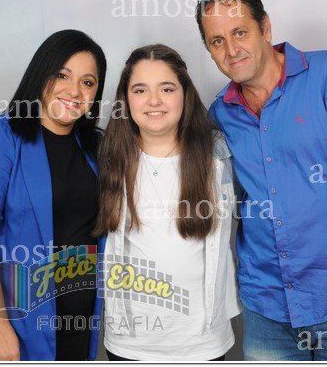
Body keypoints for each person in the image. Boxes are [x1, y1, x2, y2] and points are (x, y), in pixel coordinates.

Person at [195, 0, 327, 361]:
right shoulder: (220, 115)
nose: (231, 50)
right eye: (217, 41)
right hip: (265, 308)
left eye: (240, 32)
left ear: (265, 28)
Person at [0, 30, 107, 361]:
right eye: (62, 75)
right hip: (17, 322)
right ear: (41, 73)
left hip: (80, 322)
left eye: (87, 82)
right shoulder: (2, 136)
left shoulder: (96, 147)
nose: (74, 91)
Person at [94, 44, 241, 361]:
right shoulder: (109, 157)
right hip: (130, 343)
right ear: (126, 100)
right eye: (140, 90)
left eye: (167, 88)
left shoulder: (218, 155)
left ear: (185, 94)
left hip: (203, 343)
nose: (154, 101)